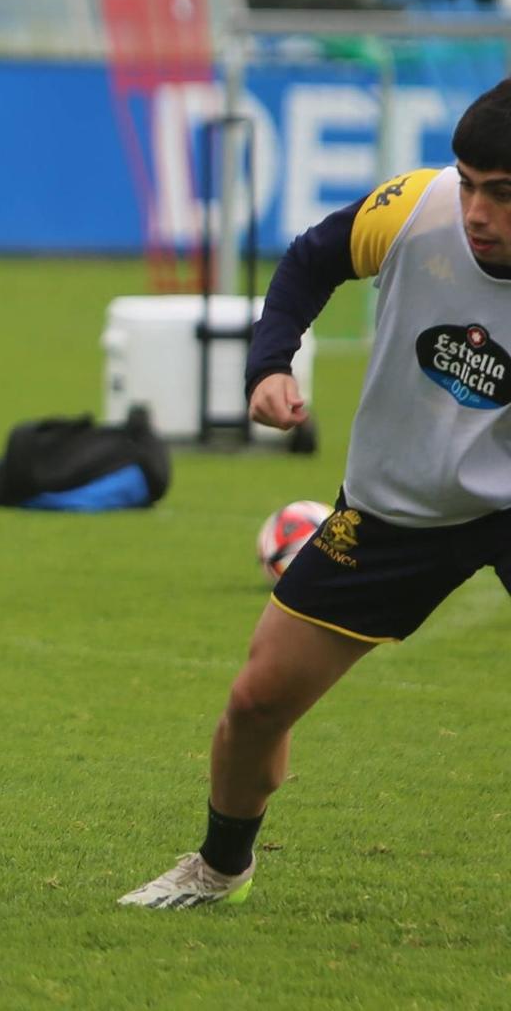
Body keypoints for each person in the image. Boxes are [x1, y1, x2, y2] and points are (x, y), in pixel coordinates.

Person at [121, 81, 511, 910]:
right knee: (257, 702)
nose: (476, 209)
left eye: (501, 193)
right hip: (394, 507)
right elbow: (309, 260)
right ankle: (220, 868)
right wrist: (269, 364)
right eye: (469, 181)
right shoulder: (414, 207)